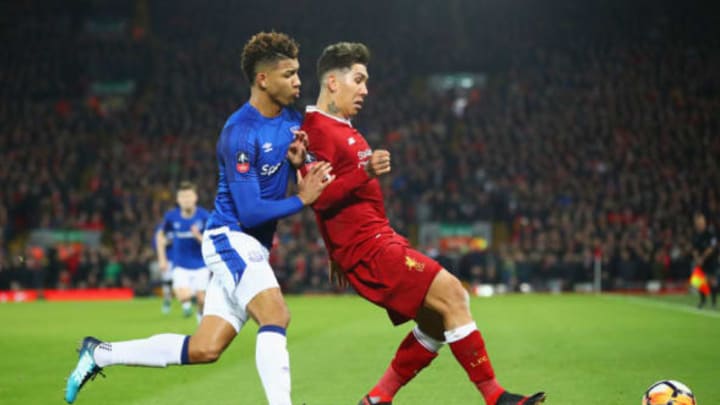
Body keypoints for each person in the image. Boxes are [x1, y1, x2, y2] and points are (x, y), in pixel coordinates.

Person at [64, 31, 334, 405]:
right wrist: (300, 200)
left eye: (298, 72)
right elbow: (250, 210)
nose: (299, 81)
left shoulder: (291, 121)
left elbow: (299, 171)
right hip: (229, 236)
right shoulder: (239, 132)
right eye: (289, 74)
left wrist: (299, 164)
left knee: (206, 348)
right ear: (263, 79)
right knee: (276, 314)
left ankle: (99, 353)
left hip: (252, 244)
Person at [301, 42, 545, 405]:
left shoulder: (342, 127)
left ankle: (377, 399)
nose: (366, 89)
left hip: (378, 239)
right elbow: (316, 196)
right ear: (333, 82)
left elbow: (330, 200)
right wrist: (363, 174)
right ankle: (495, 397)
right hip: (370, 247)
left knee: (435, 320)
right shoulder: (316, 130)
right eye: (359, 79)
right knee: (453, 294)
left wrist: (334, 249)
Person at [156, 182, 210, 321]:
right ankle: (187, 301)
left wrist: (198, 235)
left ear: (195, 198)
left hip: (201, 265)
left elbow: (211, 241)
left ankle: (200, 321)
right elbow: (160, 235)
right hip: (180, 265)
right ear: (178, 199)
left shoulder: (204, 216)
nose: (186, 199)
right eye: (183, 197)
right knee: (184, 296)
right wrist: (162, 259)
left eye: (189, 196)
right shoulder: (171, 217)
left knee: (202, 301)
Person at [691, 212, 718, 308]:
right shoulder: (695, 234)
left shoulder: (710, 233)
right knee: (699, 280)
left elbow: (712, 247)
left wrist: (702, 258)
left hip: (711, 260)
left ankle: (714, 302)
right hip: (700, 260)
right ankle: (703, 301)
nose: (699, 224)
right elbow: (694, 249)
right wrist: (697, 259)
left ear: (704, 222)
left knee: (712, 280)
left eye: (701, 222)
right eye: (697, 223)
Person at [153, 220, 174, 314]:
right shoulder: (161, 228)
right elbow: (155, 243)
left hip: (182, 260)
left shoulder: (180, 226)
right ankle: (167, 302)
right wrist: (165, 242)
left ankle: (187, 303)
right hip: (167, 260)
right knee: (167, 282)